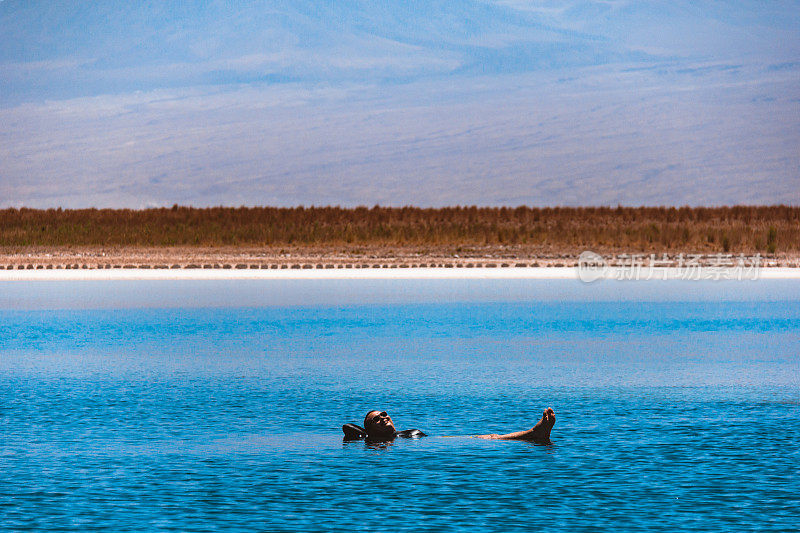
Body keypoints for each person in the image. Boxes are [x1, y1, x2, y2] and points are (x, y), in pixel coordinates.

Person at [343, 407, 556, 444]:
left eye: (384, 414)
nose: (383, 418)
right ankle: (534, 434)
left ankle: (535, 434)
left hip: (438, 441)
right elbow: (348, 428)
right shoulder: (375, 441)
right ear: (370, 429)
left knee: (490, 437)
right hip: (446, 445)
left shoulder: (402, 435)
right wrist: (367, 434)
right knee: (489, 439)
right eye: (376, 419)